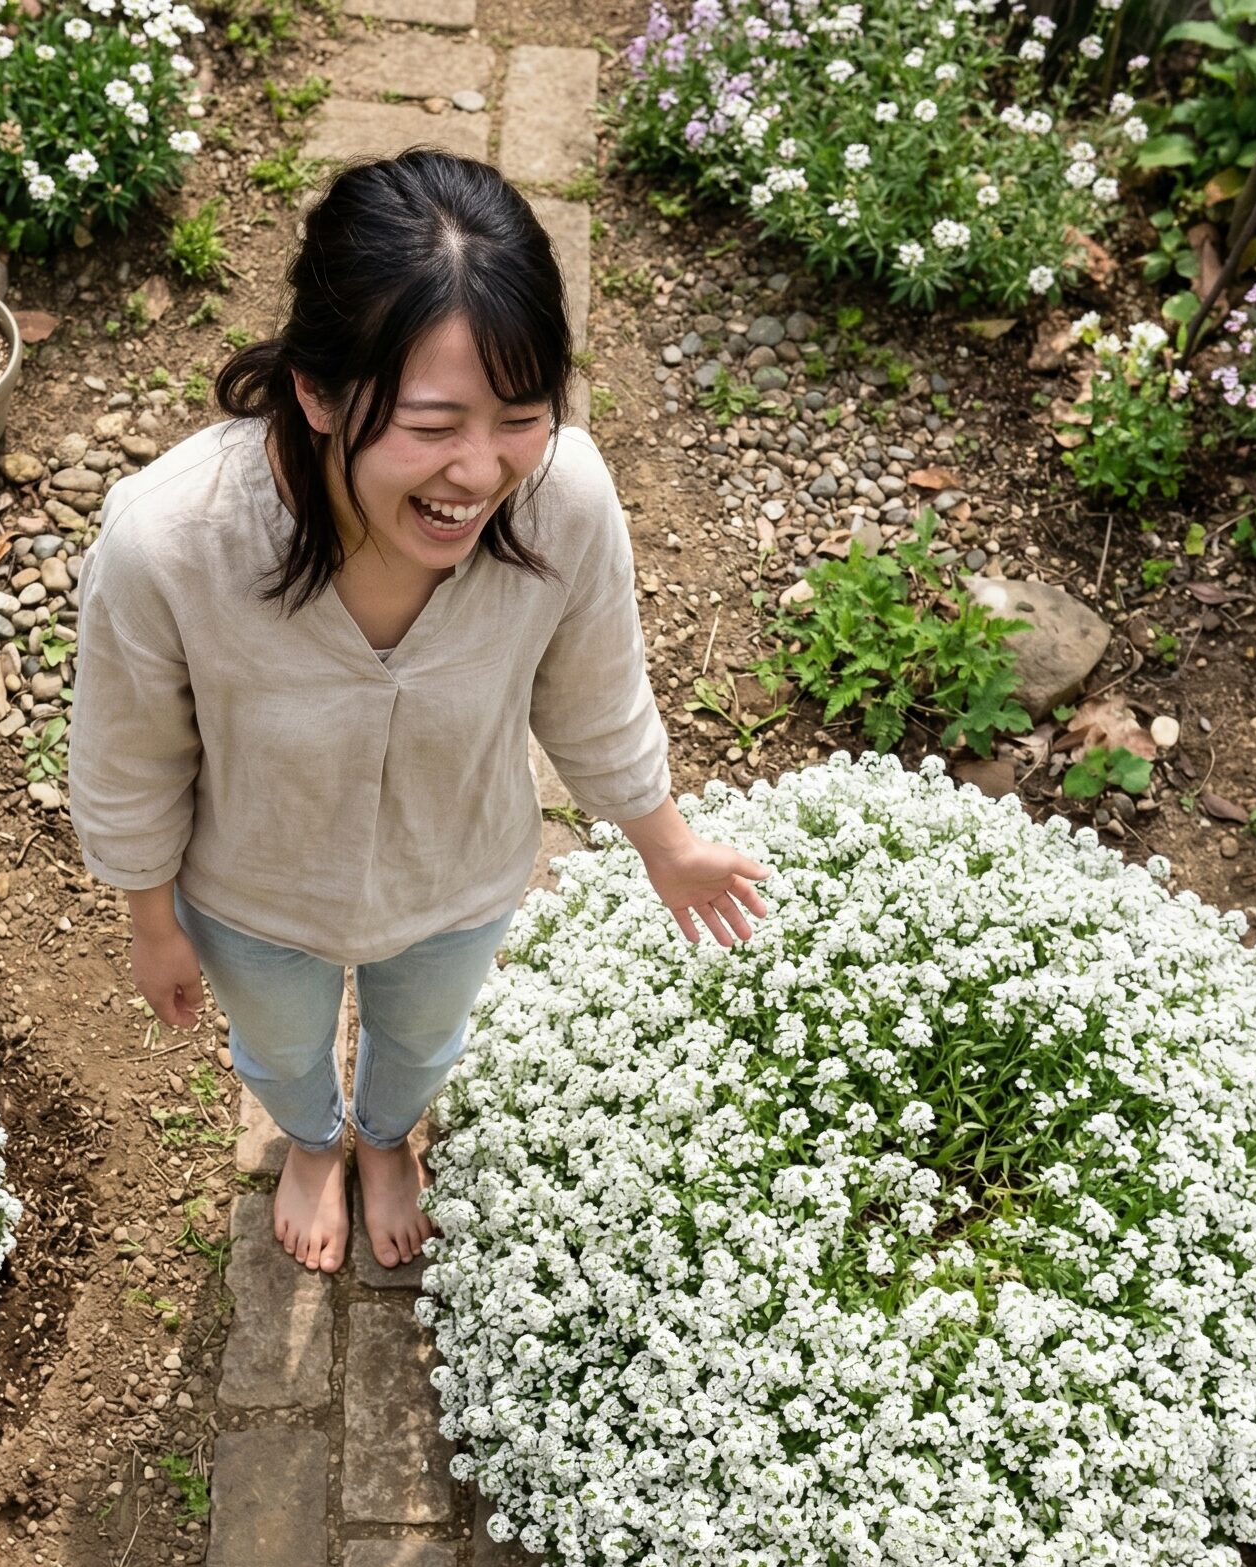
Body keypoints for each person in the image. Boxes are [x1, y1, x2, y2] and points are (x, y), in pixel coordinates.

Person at [68, 148, 769, 1277]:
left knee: (425, 1035)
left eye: (519, 416)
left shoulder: (567, 498)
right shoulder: (168, 542)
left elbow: (595, 696)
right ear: (315, 391)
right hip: (254, 897)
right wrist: (152, 921)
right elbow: (130, 759)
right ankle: (308, 1141)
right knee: (280, 1045)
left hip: (457, 877)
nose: (480, 472)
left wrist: (668, 847)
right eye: (432, 423)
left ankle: (387, 1138)